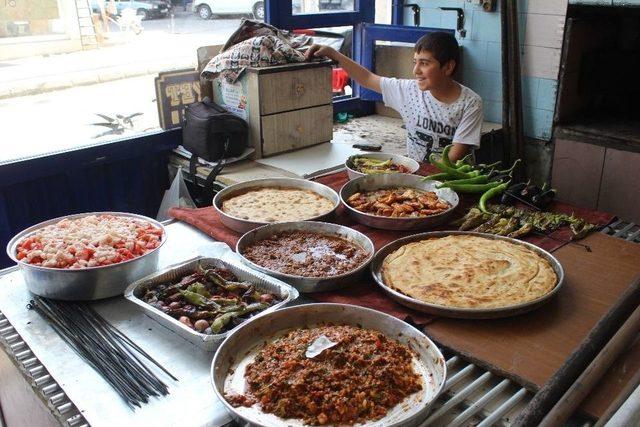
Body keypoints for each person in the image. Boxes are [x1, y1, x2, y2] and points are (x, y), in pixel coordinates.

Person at [305, 32, 483, 163]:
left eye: (425, 63)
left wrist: (412, 177)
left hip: (455, 181)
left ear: (448, 67)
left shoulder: (470, 103)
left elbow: (454, 156)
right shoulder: (409, 91)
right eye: (415, 62)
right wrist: (334, 54)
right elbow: (368, 78)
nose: (416, 70)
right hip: (418, 176)